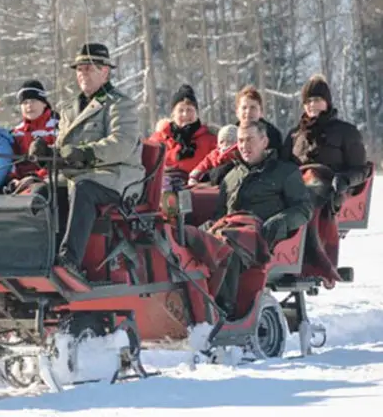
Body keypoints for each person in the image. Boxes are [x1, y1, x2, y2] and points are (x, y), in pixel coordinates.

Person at [35, 43, 145, 283]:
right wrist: (47, 153)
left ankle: (69, 261)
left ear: (104, 71)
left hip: (116, 177)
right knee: (42, 191)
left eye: (89, 68)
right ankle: (39, 255)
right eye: (79, 69)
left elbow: (122, 143)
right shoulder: (69, 110)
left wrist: (85, 153)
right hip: (81, 176)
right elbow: (66, 150)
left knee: (84, 189)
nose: (82, 74)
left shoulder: (120, 104)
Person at [204, 119, 313, 317]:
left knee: (227, 250)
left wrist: (280, 221)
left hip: (263, 237)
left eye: (250, 140)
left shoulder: (284, 172)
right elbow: (219, 214)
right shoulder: (230, 177)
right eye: (240, 141)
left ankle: (224, 312)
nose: (244, 146)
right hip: (229, 232)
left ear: (264, 141)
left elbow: (304, 209)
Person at [281, 74, 371, 287]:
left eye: (317, 99)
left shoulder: (345, 131)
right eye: (308, 101)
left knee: (307, 199)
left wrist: (345, 180)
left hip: (329, 183)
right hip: (297, 182)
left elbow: (362, 169)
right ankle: (279, 258)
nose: (312, 105)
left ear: (327, 102)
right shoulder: (295, 135)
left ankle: (315, 262)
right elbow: (283, 164)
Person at [148, 84, 217, 185]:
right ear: (173, 114)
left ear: (197, 113)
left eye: (189, 110)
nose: (185, 115)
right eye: (181, 110)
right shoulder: (159, 139)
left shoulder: (210, 140)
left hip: (198, 192)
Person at [7, 80, 59, 194]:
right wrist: (13, 179)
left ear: (44, 103)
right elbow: (11, 162)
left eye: (34, 101)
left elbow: (58, 160)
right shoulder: (16, 133)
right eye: (25, 102)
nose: (29, 106)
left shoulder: (57, 127)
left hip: (49, 181)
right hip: (21, 183)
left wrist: (36, 176)